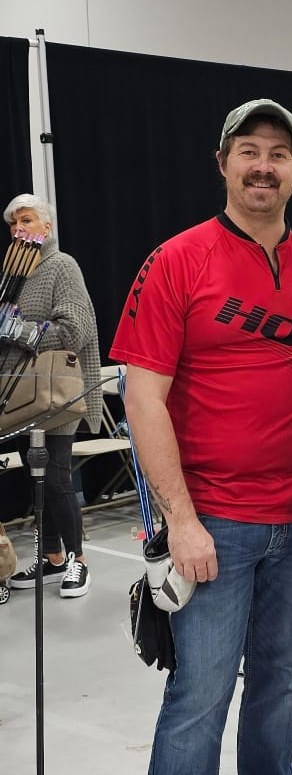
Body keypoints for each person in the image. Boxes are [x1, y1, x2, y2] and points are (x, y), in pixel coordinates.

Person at [109, 99, 292, 775]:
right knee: (199, 695)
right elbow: (142, 395)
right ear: (223, 163)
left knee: (279, 689)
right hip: (212, 524)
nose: (262, 167)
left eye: (277, 154)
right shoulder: (177, 260)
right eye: (248, 151)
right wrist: (180, 518)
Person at [3, 194, 102, 598]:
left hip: (58, 387)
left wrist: (16, 330)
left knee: (56, 472)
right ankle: (52, 558)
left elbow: (73, 331)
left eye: (26, 220)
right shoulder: (13, 273)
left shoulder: (62, 266)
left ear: (46, 227)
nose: (17, 230)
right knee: (37, 469)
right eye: (13, 224)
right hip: (26, 391)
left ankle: (78, 559)